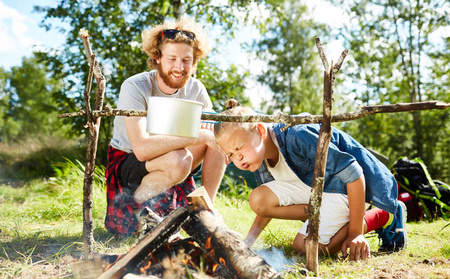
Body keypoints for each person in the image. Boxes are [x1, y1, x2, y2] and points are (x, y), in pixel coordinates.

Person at [214, 101, 407, 261]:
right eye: (231, 154)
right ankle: (329, 218)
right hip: (318, 190)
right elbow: (268, 203)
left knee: (305, 246)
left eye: (239, 148)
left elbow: (354, 173)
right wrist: (248, 242)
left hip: (347, 188)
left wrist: (355, 232)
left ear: (260, 131)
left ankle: (383, 215)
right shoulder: (259, 158)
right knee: (258, 198)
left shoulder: (297, 136)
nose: (237, 158)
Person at [105, 17, 226, 236]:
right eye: (172, 59)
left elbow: (210, 137)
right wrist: (196, 136)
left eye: (186, 60)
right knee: (180, 159)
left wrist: (214, 136)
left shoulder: (197, 90)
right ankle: (134, 209)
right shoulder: (135, 86)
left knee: (215, 140)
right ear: (157, 58)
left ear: (194, 60)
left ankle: (206, 207)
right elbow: (141, 150)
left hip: (175, 158)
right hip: (130, 161)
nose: (179, 67)